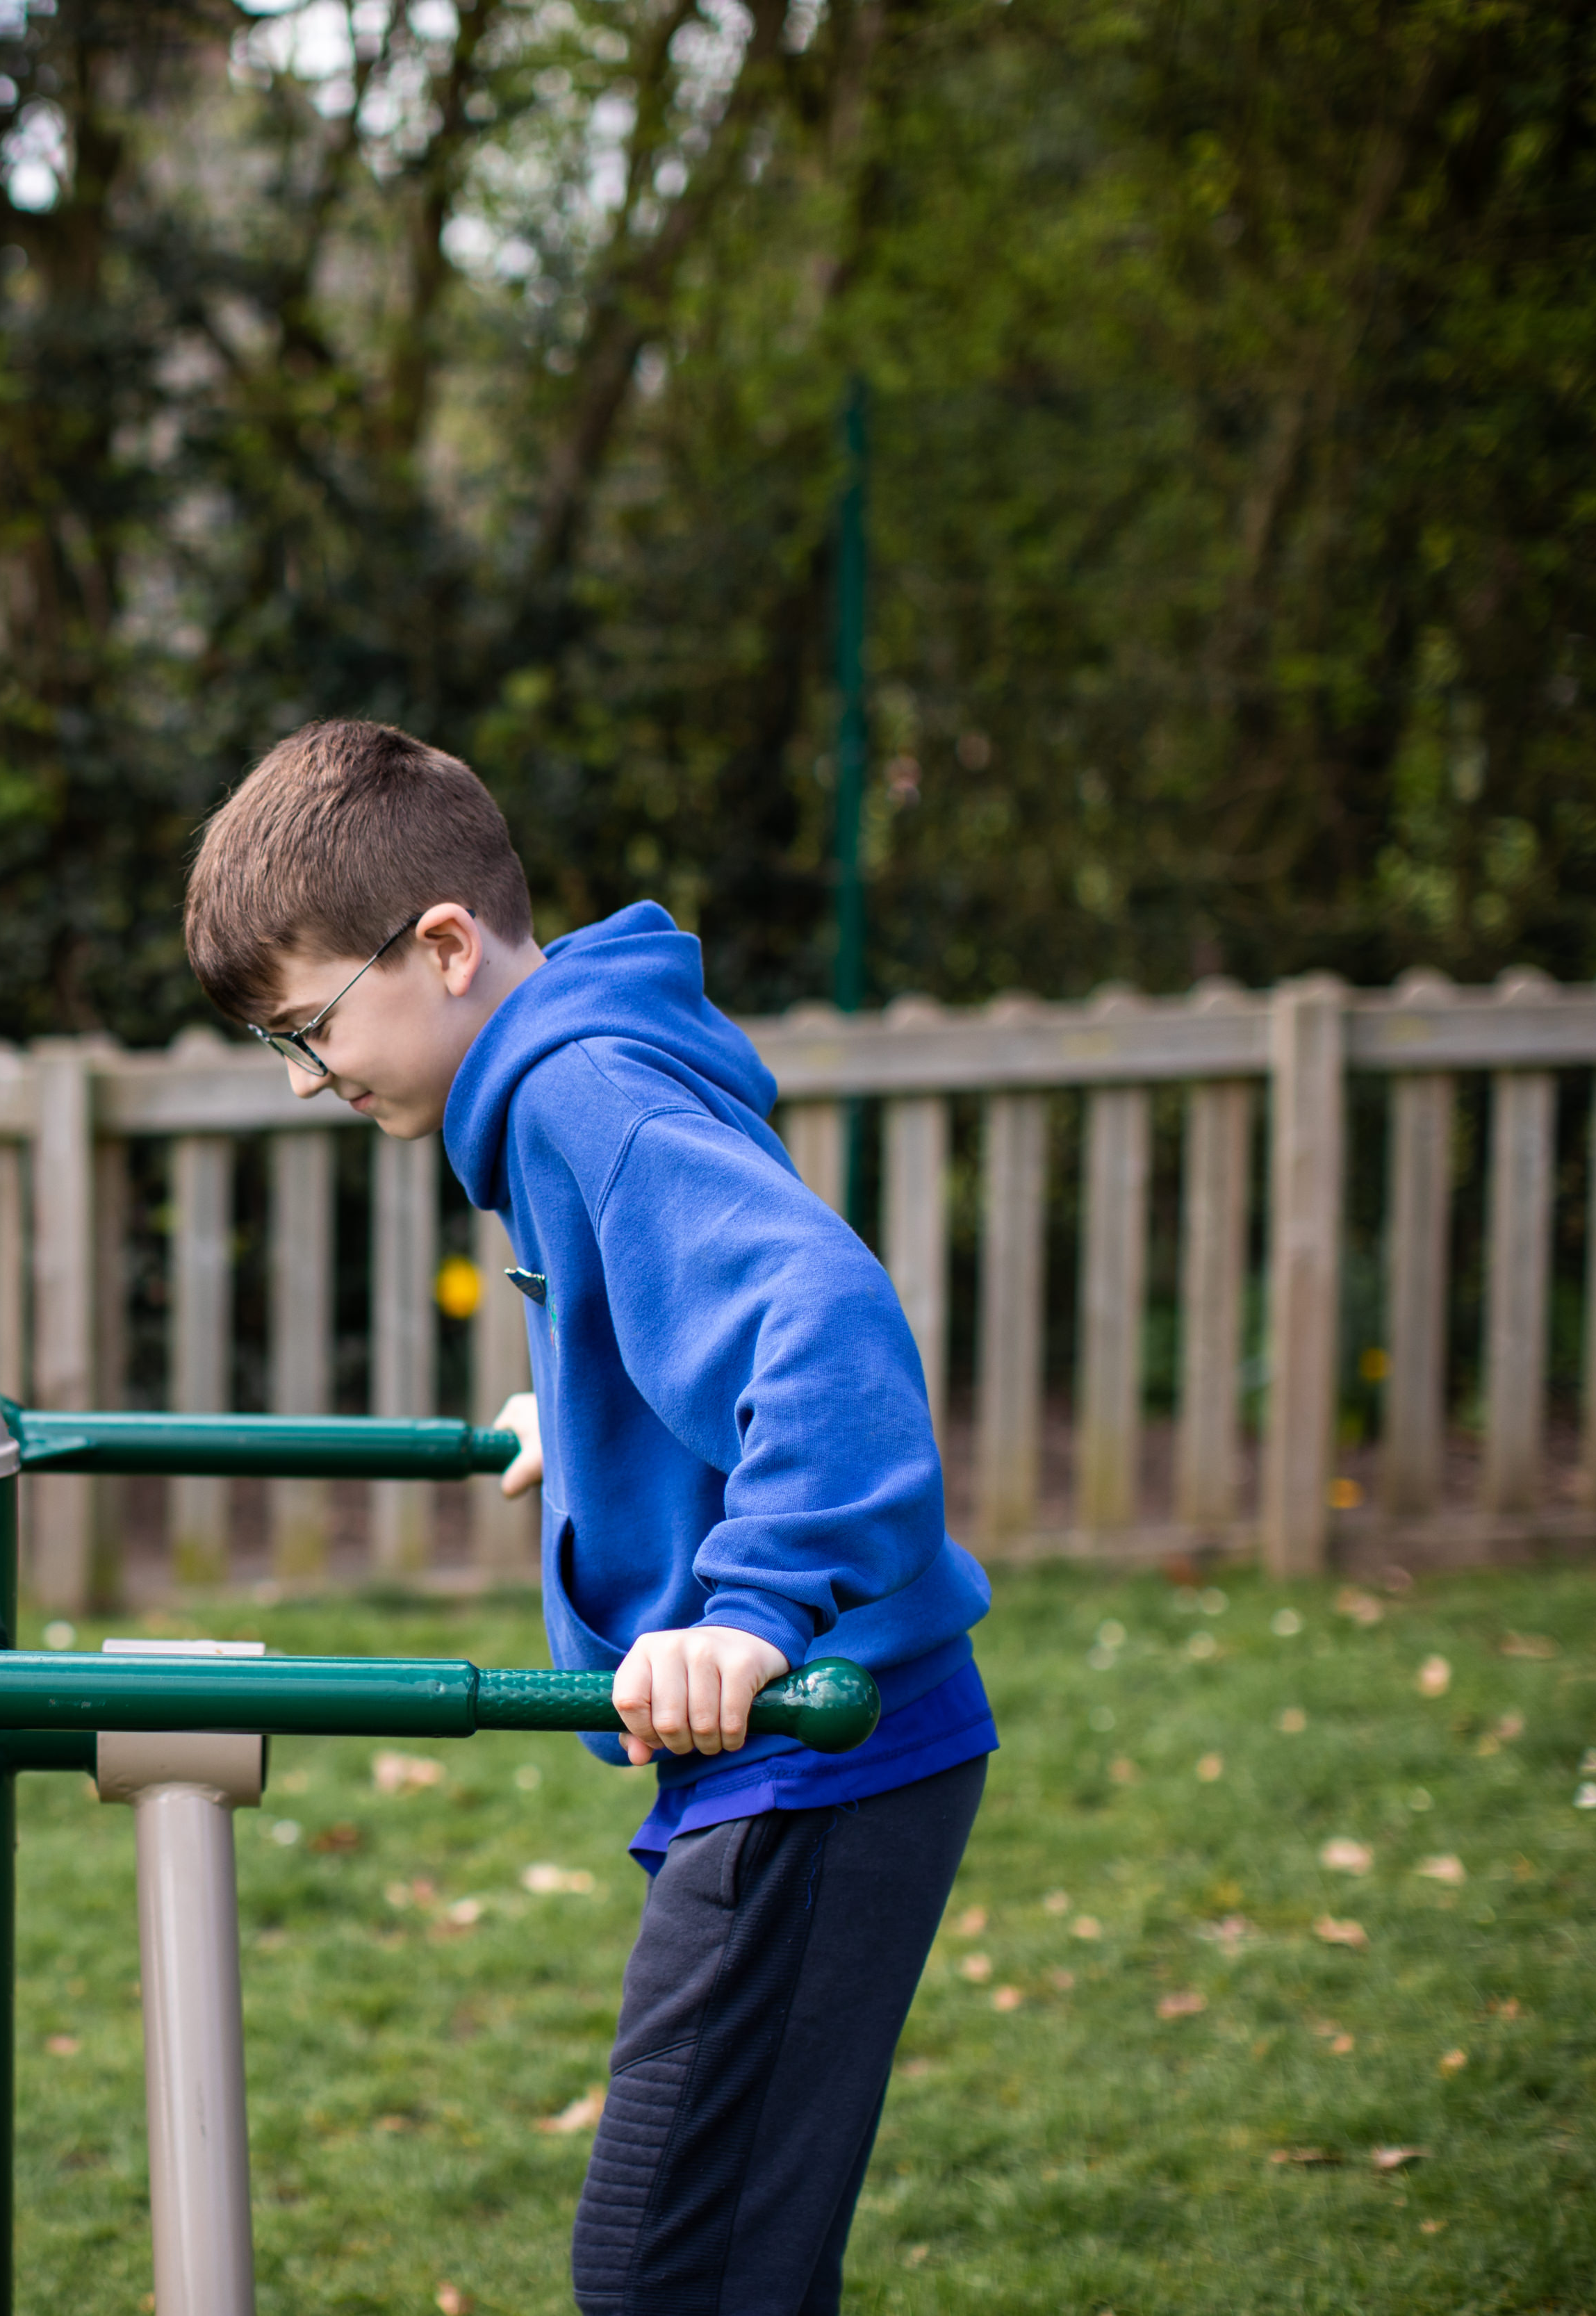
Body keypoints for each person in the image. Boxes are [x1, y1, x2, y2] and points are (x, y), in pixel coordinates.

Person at [184, 721, 996, 2315]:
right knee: (735, 2263)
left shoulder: (579, 1095)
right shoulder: (579, 1071)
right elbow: (702, 1304)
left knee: (658, 2273)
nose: (303, 1079)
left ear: (441, 945)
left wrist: (752, 1607)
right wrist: (600, 1402)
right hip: (811, 1759)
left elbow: (820, 1321)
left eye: (309, 1027)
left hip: (818, 1747)